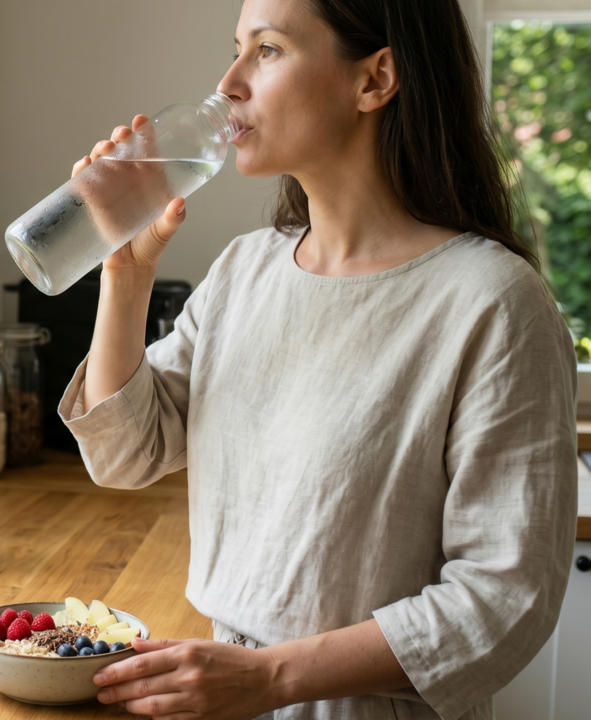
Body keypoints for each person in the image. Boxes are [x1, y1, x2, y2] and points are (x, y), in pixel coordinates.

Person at [59, 0, 579, 718]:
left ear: (376, 79)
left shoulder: (492, 304)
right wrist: (125, 273)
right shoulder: (246, 271)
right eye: (236, 48)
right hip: (224, 696)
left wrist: (272, 678)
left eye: (266, 51)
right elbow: (125, 453)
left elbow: (502, 601)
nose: (228, 83)